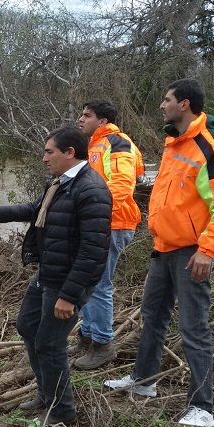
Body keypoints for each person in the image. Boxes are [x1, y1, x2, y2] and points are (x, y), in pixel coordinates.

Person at [104, 78, 214, 427]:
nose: (161, 105)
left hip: (191, 254)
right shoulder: (173, 141)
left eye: (166, 100)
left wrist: (207, 251)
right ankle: (144, 381)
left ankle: (203, 408)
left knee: (193, 327)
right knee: (152, 317)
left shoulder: (212, 148)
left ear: (184, 104)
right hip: (163, 248)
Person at [0, 126, 111, 426]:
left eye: (49, 152)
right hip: (48, 273)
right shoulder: (61, 182)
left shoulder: (91, 190)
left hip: (66, 282)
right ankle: (46, 394)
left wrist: (69, 295)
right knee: (27, 326)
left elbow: (94, 252)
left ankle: (61, 410)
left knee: (50, 343)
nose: (44, 158)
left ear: (70, 153)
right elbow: (36, 209)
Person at [72, 100, 144, 370]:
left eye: (86, 115)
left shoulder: (117, 142)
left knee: (99, 283)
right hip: (101, 222)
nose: (81, 119)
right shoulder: (95, 144)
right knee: (88, 281)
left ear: (102, 121)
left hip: (112, 223)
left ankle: (103, 345)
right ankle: (88, 337)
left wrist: (94, 213)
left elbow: (123, 184)